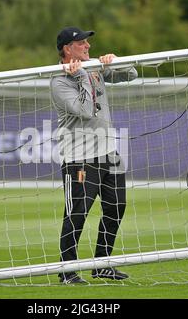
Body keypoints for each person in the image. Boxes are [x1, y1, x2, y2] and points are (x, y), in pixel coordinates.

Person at [50, 26, 138, 284]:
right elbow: (86, 111)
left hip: (108, 153)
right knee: (77, 213)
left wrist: (115, 61)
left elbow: (131, 74)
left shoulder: (94, 69)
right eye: (81, 43)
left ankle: (102, 264)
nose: (88, 46)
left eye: (88, 42)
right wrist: (80, 78)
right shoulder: (58, 81)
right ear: (68, 49)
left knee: (116, 208)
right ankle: (67, 271)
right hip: (79, 157)